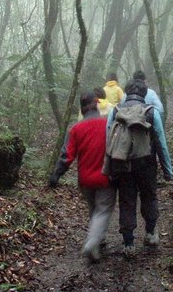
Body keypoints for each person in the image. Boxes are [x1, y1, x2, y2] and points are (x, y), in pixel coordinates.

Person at [105, 79, 172, 258]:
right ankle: (150, 234)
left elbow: (108, 141)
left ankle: (128, 244)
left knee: (127, 201)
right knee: (149, 197)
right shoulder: (151, 112)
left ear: (126, 93)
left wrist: (108, 167)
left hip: (122, 164)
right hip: (147, 164)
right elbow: (160, 142)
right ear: (144, 94)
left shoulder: (116, 111)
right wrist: (167, 170)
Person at [49, 92, 116, 262]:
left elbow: (67, 155)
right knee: (103, 210)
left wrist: (56, 174)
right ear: (97, 105)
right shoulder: (107, 124)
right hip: (105, 177)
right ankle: (92, 242)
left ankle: (99, 240)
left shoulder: (76, 129)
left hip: (85, 180)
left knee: (94, 209)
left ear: (81, 108)